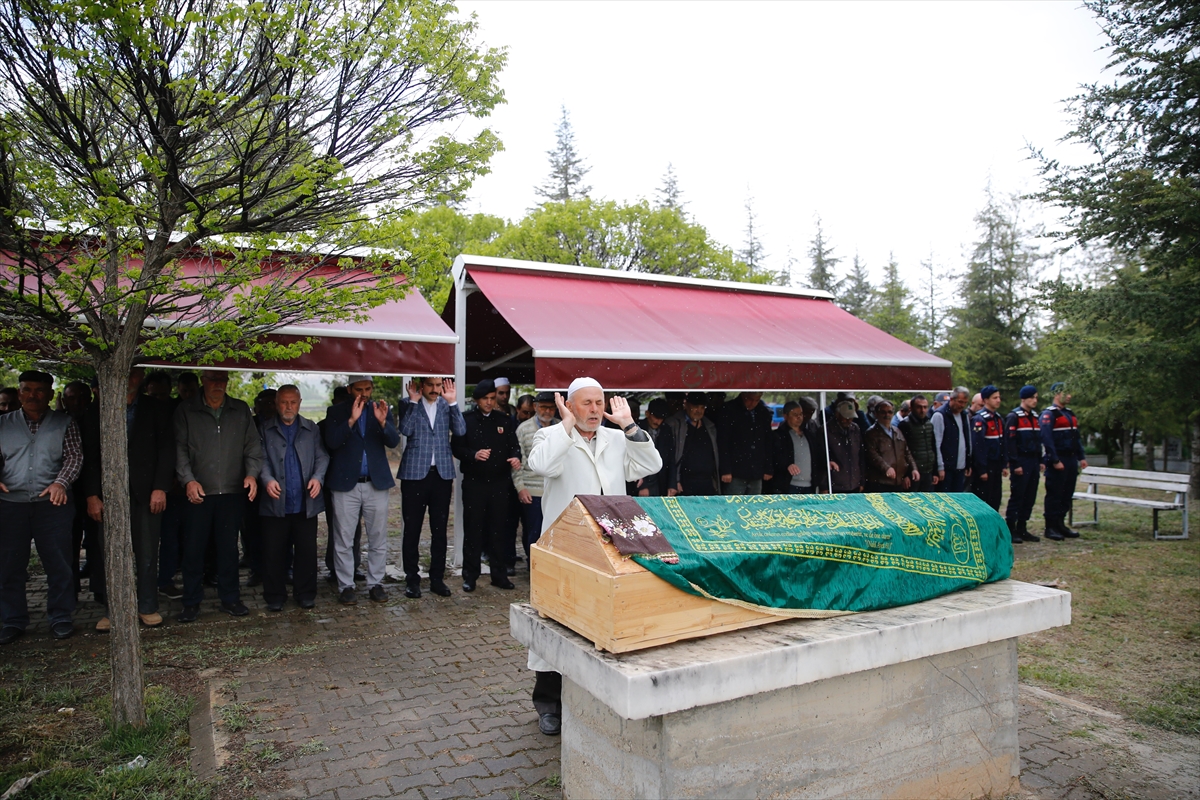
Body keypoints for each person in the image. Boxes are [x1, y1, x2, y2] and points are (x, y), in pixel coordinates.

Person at [526, 377, 663, 737]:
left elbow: (651, 465)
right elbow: (541, 465)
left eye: (599, 403)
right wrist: (565, 427)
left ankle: (594, 696)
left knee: (599, 621)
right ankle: (548, 703)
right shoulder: (552, 436)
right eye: (586, 403)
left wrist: (631, 425)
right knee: (557, 622)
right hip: (565, 546)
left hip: (610, 545)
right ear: (569, 406)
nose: (594, 410)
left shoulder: (616, 439)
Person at [83, 367, 174, 631]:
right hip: (108, 495)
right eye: (126, 371)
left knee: (147, 554)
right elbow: (88, 456)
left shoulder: (156, 408)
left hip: (146, 494)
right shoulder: (97, 409)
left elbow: (167, 450)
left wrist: (161, 488)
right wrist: (91, 494)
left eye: (136, 372)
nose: (131, 377)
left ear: (142, 375)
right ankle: (114, 611)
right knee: (110, 554)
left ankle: (147, 606)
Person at [0, 371, 83, 644]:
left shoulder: (65, 423)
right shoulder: (4, 424)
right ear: (19, 392)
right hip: (11, 505)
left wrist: (61, 483)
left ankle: (60, 616)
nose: (32, 395)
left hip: (52, 505)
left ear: (50, 394)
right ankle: (13, 619)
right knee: (10, 565)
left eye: (39, 390)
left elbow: (74, 457)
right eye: (26, 389)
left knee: (58, 563)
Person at [174, 370, 262, 621]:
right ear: (203, 380)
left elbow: (253, 447)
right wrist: (188, 480)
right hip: (198, 492)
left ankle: (230, 598)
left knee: (228, 550)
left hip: (232, 493)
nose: (218, 385)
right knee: (193, 549)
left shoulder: (240, 409)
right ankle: (191, 602)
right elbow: (179, 450)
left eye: (222, 380)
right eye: (213, 380)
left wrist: (251, 474)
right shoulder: (186, 410)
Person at [324, 375, 399, 605]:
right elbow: (331, 442)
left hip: (375, 483)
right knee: (344, 538)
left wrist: (384, 423)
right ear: (349, 389)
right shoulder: (336, 412)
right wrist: (350, 421)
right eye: (359, 389)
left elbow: (394, 441)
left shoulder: (381, 409)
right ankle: (346, 585)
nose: (364, 393)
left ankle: (376, 583)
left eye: (368, 388)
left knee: (377, 537)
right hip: (346, 484)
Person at [258, 385, 328, 611]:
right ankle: (275, 596)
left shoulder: (311, 429)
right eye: (283, 402)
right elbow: (260, 460)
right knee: (273, 552)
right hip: (275, 502)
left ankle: (305, 593)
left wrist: (317, 478)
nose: (288, 407)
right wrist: (267, 479)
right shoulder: (265, 429)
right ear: (277, 404)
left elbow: (322, 457)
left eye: (293, 402)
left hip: (305, 502)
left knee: (306, 551)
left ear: (299, 403)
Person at [396, 376, 463, 599]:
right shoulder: (408, 403)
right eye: (431, 385)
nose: (435, 390)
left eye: (438, 386)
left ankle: (437, 578)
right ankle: (412, 580)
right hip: (414, 475)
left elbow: (461, 431)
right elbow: (405, 430)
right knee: (412, 529)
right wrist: (414, 402)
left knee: (439, 530)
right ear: (421, 386)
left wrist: (453, 403)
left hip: (441, 475)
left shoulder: (446, 404)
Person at [452, 379, 521, 592]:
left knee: (498, 530)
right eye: (485, 399)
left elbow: (514, 446)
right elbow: (456, 448)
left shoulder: (505, 420)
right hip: (475, 483)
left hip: (500, 483)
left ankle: (498, 575)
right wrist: (473, 454)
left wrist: (516, 458)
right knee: (474, 529)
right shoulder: (466, 419)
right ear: (477, 400)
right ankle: (470, 576)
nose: (489, 403)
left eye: (492, 398)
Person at [320, 385, 363, 585]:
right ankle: (334, 567)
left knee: (354, 529)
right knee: (337, 529)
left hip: (353, 481)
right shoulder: (325, 424)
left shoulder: (361, 420)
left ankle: (353, 566)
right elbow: (330, 445)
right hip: (334, 481)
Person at [1040, 383, 1088, 541]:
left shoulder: (1069, 414)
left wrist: (1081, 457)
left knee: (1067, 493)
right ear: (1056, 394)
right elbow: (1047, 439)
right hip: (1058, 458)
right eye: (1066, 393)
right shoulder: (1049, 414)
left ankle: (1060, 523)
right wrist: (1054, 459)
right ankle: (1050, 526)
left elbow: (1076, 438)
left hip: (1071, 458)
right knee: (1055, 493)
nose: (1069, 396)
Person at [512, 392, 558, 557]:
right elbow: (518, 461)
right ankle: (534, 569)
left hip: (556, 491)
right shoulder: (523, 429)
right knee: (533, 532)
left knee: (556, 533)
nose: (548, 411)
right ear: (535, 407)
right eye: (544, 407)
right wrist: (520, 488)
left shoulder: (561, 428)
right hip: (532, 492)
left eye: (552, 408)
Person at [661, 392, 719, 496]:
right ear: (686, 405)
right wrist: (675, 481)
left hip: (707, 483)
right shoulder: (674, 425)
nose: (699, 411)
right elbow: (670, 457)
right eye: (695, 407)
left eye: (702, 407)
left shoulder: (710, 426)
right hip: (684, 484)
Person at [1005, 386, 1043, 544]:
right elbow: (1010, 441)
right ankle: (1011, 528)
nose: (1034, 400)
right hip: (1022, 460)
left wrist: (1041, 460)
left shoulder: (1035, 416)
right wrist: (1015, 463)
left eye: (1036, 397)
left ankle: (1022, 527)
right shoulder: (1015, 416)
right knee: (1018, 496)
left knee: (1030, 496)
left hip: (1033, 461)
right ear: (1023, 398)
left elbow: (1038, 440)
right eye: (1032, 397)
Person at [717, 392, 773, 494]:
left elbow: (767, 442)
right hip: (735, 470)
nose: (753, 403)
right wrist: (726, 470)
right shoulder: (729, 410)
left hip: (756, 470)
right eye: (751, 399)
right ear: (744, 395)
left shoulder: (763, 412)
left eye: (757, 400)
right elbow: (723, 442)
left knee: (754, 505)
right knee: (734, 505)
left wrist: (768, 468)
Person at [770, 400, 827, 493]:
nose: (799, 417)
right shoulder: (778, 435)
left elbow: (818, 456)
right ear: (785, 416)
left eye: (800, 414)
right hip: (789, 486)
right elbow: (774, 457)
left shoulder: (810, 434)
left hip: (810, 486)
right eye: (795, 414)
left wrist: (828, 462)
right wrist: (787, 464)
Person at [864, 401, 919, 493]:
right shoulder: (871, 433)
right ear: (876, 414)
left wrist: (914, 469)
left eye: (890, 412)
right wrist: (886, 468)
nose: (887, 415)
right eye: (883, 412)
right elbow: (872, 455)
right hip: (880, 482)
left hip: (897, 482)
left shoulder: (897, 431)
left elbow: (907, 453)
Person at [970, 386, 1008, 511]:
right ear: (986, 400)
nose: (998, 400)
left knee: (995, 498)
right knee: (984, 499)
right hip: (987, 465)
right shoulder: (980, 419)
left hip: (996, 465)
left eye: (999, 397)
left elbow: (1002, 442)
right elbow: (978, 446)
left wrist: (1003, 464)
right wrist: (982, 469)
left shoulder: (998, 418)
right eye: (995, 398)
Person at [933, 387, 973, 492]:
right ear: (952, 399)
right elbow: (936, 443)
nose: (962, 405)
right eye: (960, 402)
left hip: (960, 467)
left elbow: (967, 439)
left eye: (965, 403)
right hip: (946, 467)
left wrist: (968, 462)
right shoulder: (940, 415)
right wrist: (939, 467)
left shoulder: (964, 416)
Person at [898, 394, 939, 492]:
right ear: (912, 408)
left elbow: (933, 447)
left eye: (925, 407)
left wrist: (935, 472)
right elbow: (902, 451)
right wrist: (905, 475)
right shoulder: (904, 425)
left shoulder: (929, 424)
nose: (922, 410)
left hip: (928, 470)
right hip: (913, 472)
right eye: (919, 407)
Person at [826, 399, 865, 493]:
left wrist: (862, 481)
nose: (848, 420)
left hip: (854, 484)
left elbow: (861, 456)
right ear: (837, 414)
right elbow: (821, 459)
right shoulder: (825, 431)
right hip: (836, 485)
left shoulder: (855, 429)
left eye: (851, 417)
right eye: (846, 417)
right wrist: (824, 486)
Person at [637, 398, 671, 496]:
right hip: (642, 479)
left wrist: (672, 484)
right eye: (656, 417)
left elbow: (671, 458)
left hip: (660, 480)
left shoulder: (666, 430)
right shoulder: (637, 428)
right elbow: (634, 457)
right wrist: (643, 486)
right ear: (647, 414)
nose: (658, 421)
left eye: (661, 418)